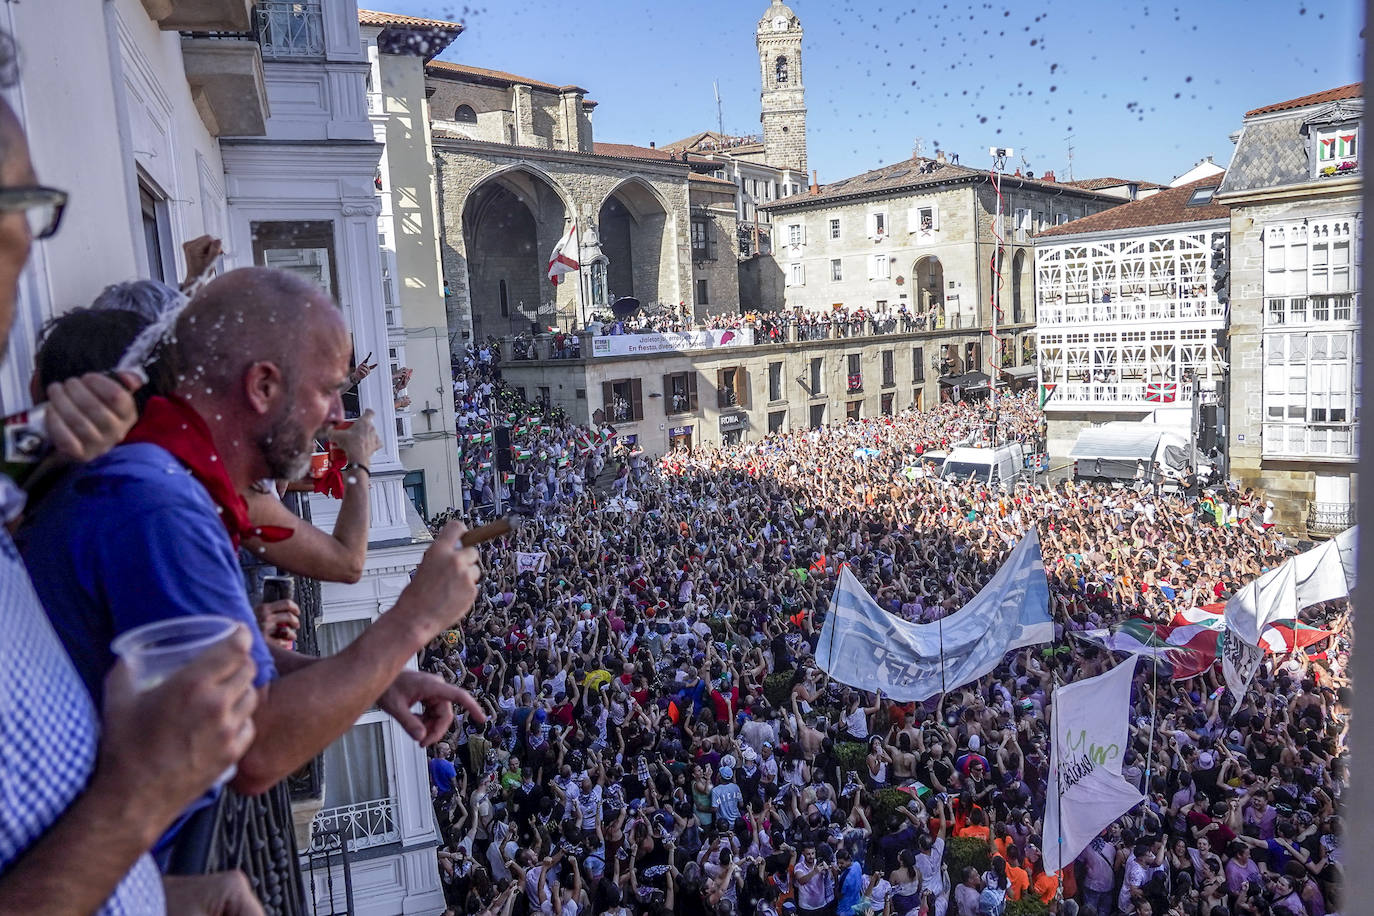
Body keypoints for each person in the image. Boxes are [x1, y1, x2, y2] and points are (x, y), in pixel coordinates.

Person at [20, 267, 485, 858]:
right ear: (263, 386)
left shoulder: (177, 485)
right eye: (326, 388)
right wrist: (414, 620)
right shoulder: (160, 506)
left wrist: (376, 681)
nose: (335, 415)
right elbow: (259, 750)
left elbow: (221, 665)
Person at [0, 33, 260, 914]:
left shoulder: (32, 464)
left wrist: (168, 895)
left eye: (28, 219)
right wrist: (139, 800)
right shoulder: (147, 501)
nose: (23, 262)